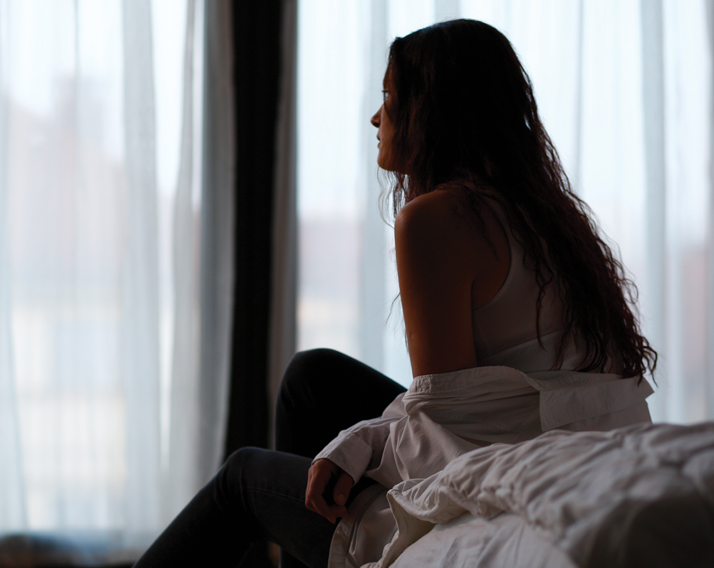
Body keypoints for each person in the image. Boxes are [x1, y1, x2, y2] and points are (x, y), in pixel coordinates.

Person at [132, 19, 657, 568]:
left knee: (241, 478)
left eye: (389, 97)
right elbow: (462, 401)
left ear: (434, 112)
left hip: (505, 459)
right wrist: (362, 438)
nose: (376, 117)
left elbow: (447, 428)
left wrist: (362, 443)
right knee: (312, 379)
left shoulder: (438, 217)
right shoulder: (547, 214)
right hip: (548, 445)